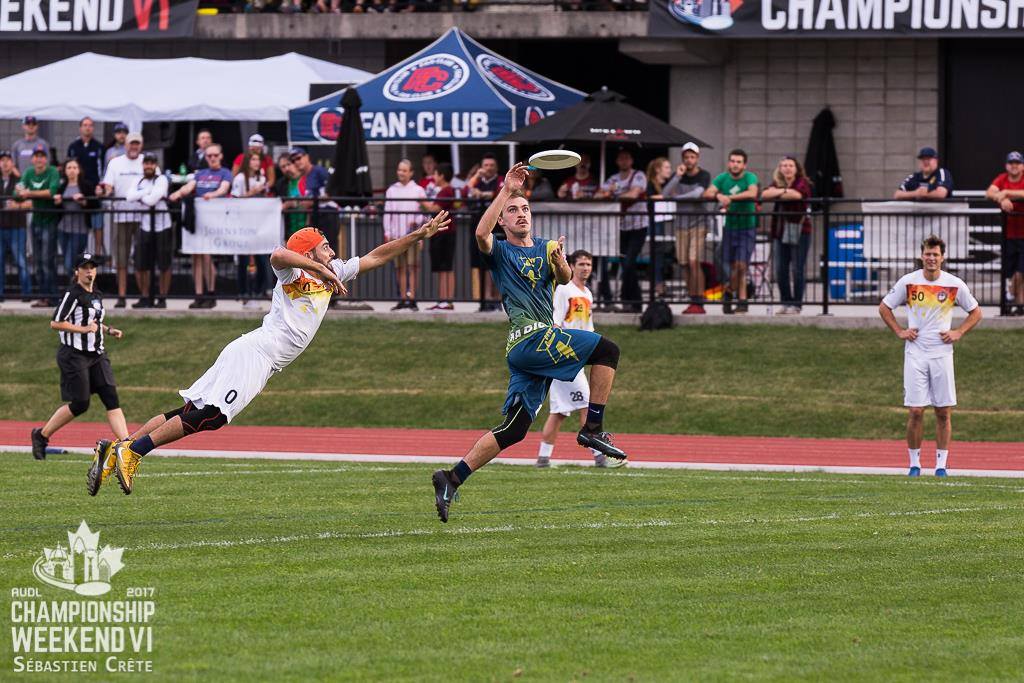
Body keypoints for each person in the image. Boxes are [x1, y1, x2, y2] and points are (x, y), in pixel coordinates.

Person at [95, 215, 451, 496]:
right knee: (211, 416)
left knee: (190, 412)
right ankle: (135, 452)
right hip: (256, 353)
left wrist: (419, 235)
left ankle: (119, 449)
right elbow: (277, 254)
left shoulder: (335, 271)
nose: (332, 252)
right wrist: (319, 267)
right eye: (325, 248)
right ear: (310, 254)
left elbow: (377, 255)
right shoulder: (295, 270)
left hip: (257, 356)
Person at [431, 163, 626, 524]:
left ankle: (452, 478)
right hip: (532, 337)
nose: (520, 214)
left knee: (516, 428)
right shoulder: (500, 251)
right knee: (608, 350)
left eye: (524, 209)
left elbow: (565, 277)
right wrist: (506, 190)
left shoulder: (547, 246)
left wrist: (561, 262)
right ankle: (592, 428)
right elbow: (479, 232)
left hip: (527, 350)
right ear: (502, 220)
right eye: (513, 210)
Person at [878, 235, 982, 478]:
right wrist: (900, 331)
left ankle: (941, 466)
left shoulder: (954, 284)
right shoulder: (909, 282)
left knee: (943, 411)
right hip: (915, 353)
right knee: (915, 411)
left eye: (935, 254)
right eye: (928, 253)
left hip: (942, 354)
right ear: (921, 255)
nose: (931, 258)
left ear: (942, 257)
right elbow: (884, 307)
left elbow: (976, 312)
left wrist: (959, 331)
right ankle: (914, 464)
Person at [30, 252, 127, 470]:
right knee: (81, 404)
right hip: (74, 355)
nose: (89, 271)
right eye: (85, 267)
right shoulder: (72, 294)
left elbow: (94, 322)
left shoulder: (97, 294)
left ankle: (128, 447)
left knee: (111, 397)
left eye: (92, 267)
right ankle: (41, 435)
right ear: (77, 272)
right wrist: (83, 329)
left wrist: (109, 330)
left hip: (97, 354)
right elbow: (56, 323)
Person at [534, 250, 621, 469]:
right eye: (581, 264)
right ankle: (600, 456)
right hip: (566, 356)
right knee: (588, 405)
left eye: (589, 264)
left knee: (560, 412)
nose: (585, 268)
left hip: (579, 357)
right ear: (572, 266)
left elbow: (588, 327)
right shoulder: (564, 289)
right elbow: (556, 322)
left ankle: (543, 458)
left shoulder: (588, 293)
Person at [170, 143, 233, 309]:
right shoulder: (201, 173)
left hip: (213, 220)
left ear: (220, 156)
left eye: (215, 155)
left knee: (206, 256)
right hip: (196, 219)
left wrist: (212, 195)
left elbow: (224, 189)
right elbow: (189, 187)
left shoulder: (225, 172)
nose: (212, 158)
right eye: (209, 156)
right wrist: (177, 193)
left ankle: (210, 293)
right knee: (195, 256)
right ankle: (198, 294)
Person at [704, 149, 759, 315]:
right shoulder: (722, 178)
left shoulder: (750, 177)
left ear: (744, 164)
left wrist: (730, 198)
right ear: (729, 163)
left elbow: (752, 193)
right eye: (732, 161)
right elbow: (708, 193)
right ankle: (742, 301)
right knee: (736, 266)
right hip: (730, 227)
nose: (735, 165)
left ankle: (728, 292)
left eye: (738, 162)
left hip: (747, 226)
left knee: (742, 265)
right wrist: (719, 196)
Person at [97, 132, 145, 308]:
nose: (134, 147)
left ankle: (144, 295)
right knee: (121, 259)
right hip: (121, 216)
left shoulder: (147, 162)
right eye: (131, 144)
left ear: (141, 145)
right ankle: (122, 295)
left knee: (142, 260)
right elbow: (108, 186)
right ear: (125, 145)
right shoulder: (115, 163)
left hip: (143, 218)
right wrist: (103, 191)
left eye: (137, 144)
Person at [595, 148, 647, 312]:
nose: (624, 161)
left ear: (631, 160)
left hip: (638, 226)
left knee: (629, 263)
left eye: (627, 158)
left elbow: (634, 194)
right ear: (617, 161)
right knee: (625, 265)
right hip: (620, 228)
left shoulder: (638, 175)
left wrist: (613, 194)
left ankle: (632, 301)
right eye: (621, 158)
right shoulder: (613, 178)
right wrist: (610, 192)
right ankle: (632, 303)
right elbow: (598, 195)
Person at [663, 142, 711, 314]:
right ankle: (692, 300)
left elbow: (698, 193)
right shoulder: (678, 176)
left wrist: (678, 198)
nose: (689, 160)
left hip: (698, 223)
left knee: (693, 261)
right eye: (686, 157)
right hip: (681, 224)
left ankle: (699, 300)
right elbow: (665, 194)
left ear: (697, 158)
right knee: (683, 263)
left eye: (692, 157)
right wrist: (677, 176)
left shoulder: (704, 175)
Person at [761, 156, 813, 315]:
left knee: (797, 269)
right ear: (780, 168)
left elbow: (797, 195)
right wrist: (784, 191)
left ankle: (796, 304)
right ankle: (785, 302)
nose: (787, 168)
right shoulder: (777, 182)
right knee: (780, 269)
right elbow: (764, 194)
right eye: (783, 165)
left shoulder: (803, 182)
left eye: (790, 165)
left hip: (800, 231)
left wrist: (778, 193)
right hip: (779, 231)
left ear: (796, 168)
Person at [125, 153, 171, 309]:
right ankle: (145, 297)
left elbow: (153, 200)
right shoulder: (138, 180)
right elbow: (129, 197)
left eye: (152, 163)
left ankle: (162, 297)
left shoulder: (162, 179)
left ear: (156, 165)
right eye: (146, 163)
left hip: (162, 226)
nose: (148, 166)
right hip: (144, 226)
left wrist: (142, 196)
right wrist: (147, 192)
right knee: (140, 264)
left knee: (164, 264)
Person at [17, 144, 61, 307]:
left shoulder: (53, 172)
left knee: (47, 261)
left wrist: (29, 193)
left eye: (42, 156)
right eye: (37, 156)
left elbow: (52, 191)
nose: (40, 159)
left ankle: (53, 297)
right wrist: (22, 192)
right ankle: (43, 297)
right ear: (33, 158)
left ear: (46, 158)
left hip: (49, 222)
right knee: (37, 261)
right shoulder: (28, 172)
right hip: (35, 221)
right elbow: (18, 191)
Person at [383, 159, 427, 310]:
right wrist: (387, 232)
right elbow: (387, 212)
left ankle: (412, 299)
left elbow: (424, 213)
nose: (400, 173)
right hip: (396, 236)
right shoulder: (391, 190)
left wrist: (417, 223)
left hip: (413, 236)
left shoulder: (418, 190)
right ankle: (402, 298)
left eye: (404, 170)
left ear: (411, 172)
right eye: (399, 170)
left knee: (413, 267)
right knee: (399, 268)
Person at [986, 151, 1024, 316]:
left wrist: (1007, 193)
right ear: (1006, 165)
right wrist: (1001, 199)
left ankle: (1010, 298)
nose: (1014, 166)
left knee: (1020, 272)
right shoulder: (1002, 178)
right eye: (1011, 163)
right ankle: (1018, 307)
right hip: (1009, 235)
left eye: (1017, 163)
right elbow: (989, 192)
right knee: (1012, 272)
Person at [232, 151, 271, 309]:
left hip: (259, 224)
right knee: (244, 261)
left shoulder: (261, 178)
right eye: (253, 159)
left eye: (258, 160)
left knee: (262, 259)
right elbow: (234, 200)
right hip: (243, 224)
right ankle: (244, 293)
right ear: (247, 161)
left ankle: (257, 291)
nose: (256, 162)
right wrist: (251, 193)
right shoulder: (240, 179)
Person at [466, 153, 504, 311]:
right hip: (477, 227)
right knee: (480, 263)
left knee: (495, 264)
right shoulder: (477, 180)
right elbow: (465, 192)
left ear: (496, 167)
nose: (488, 168)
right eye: (485, 165)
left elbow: (501, 195)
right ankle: (485, 300)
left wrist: (485, 195)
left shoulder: (500, 180)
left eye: (491, 165)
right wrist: (475, 176)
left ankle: (496, 299)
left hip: (497, 228)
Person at [66, 117, 105, 255]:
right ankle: (79, 254)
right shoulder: (73, 147)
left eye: (90, 125)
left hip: (93, 190)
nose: (87, 127)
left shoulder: (99, 147)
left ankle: (98, 254)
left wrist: (100, 186)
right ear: (80, 128)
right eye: (85, 125)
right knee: (79, 224)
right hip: (77, 190)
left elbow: (103, 169)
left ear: (93, 128)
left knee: (97, 224)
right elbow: (68, 168)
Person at [56, 158, 99, 280]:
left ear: (79, 170)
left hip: (80, 229)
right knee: (67, 259)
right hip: (63, 228)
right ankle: (76, 287)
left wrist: (84, 201)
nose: (72, 171)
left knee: (71, 261)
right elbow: (58, 207)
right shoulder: (62, 186)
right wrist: (58, 202)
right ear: (65, 171)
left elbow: (95, 204)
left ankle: (75, 288)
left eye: (74, 168)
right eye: (69, 168)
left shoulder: (85, 186)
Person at [425, 162, 457, 310]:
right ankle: (443, 299)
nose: (434, 178)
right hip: (442, 232)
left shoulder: (446, 191)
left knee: (446, 267)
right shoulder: (444, 190)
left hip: (445, 233)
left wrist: (420, 198)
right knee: (442, 267)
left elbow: (435, 208)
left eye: (436, 174)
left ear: (442, 176)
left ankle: (446, 299)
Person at [0, 150, 31, 301]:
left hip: (17, 226)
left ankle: (26, 293)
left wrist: (16, 205)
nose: (5, 163)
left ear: (12, 163)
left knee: (20, 260)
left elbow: (27, 199)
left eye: (8, 160)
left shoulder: (19, 180)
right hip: (1, 227)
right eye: (2, 160)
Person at [645, 157, 674, 299]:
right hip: (653, 221)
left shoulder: (667, 183)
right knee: (656, 254)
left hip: (665, 221)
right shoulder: (650, 183)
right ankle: (657, 284)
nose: (669, 170)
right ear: (658, 169)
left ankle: (661, 282)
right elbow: (649, 197)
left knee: (664, 253)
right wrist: (662, 196)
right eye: (667, 167)